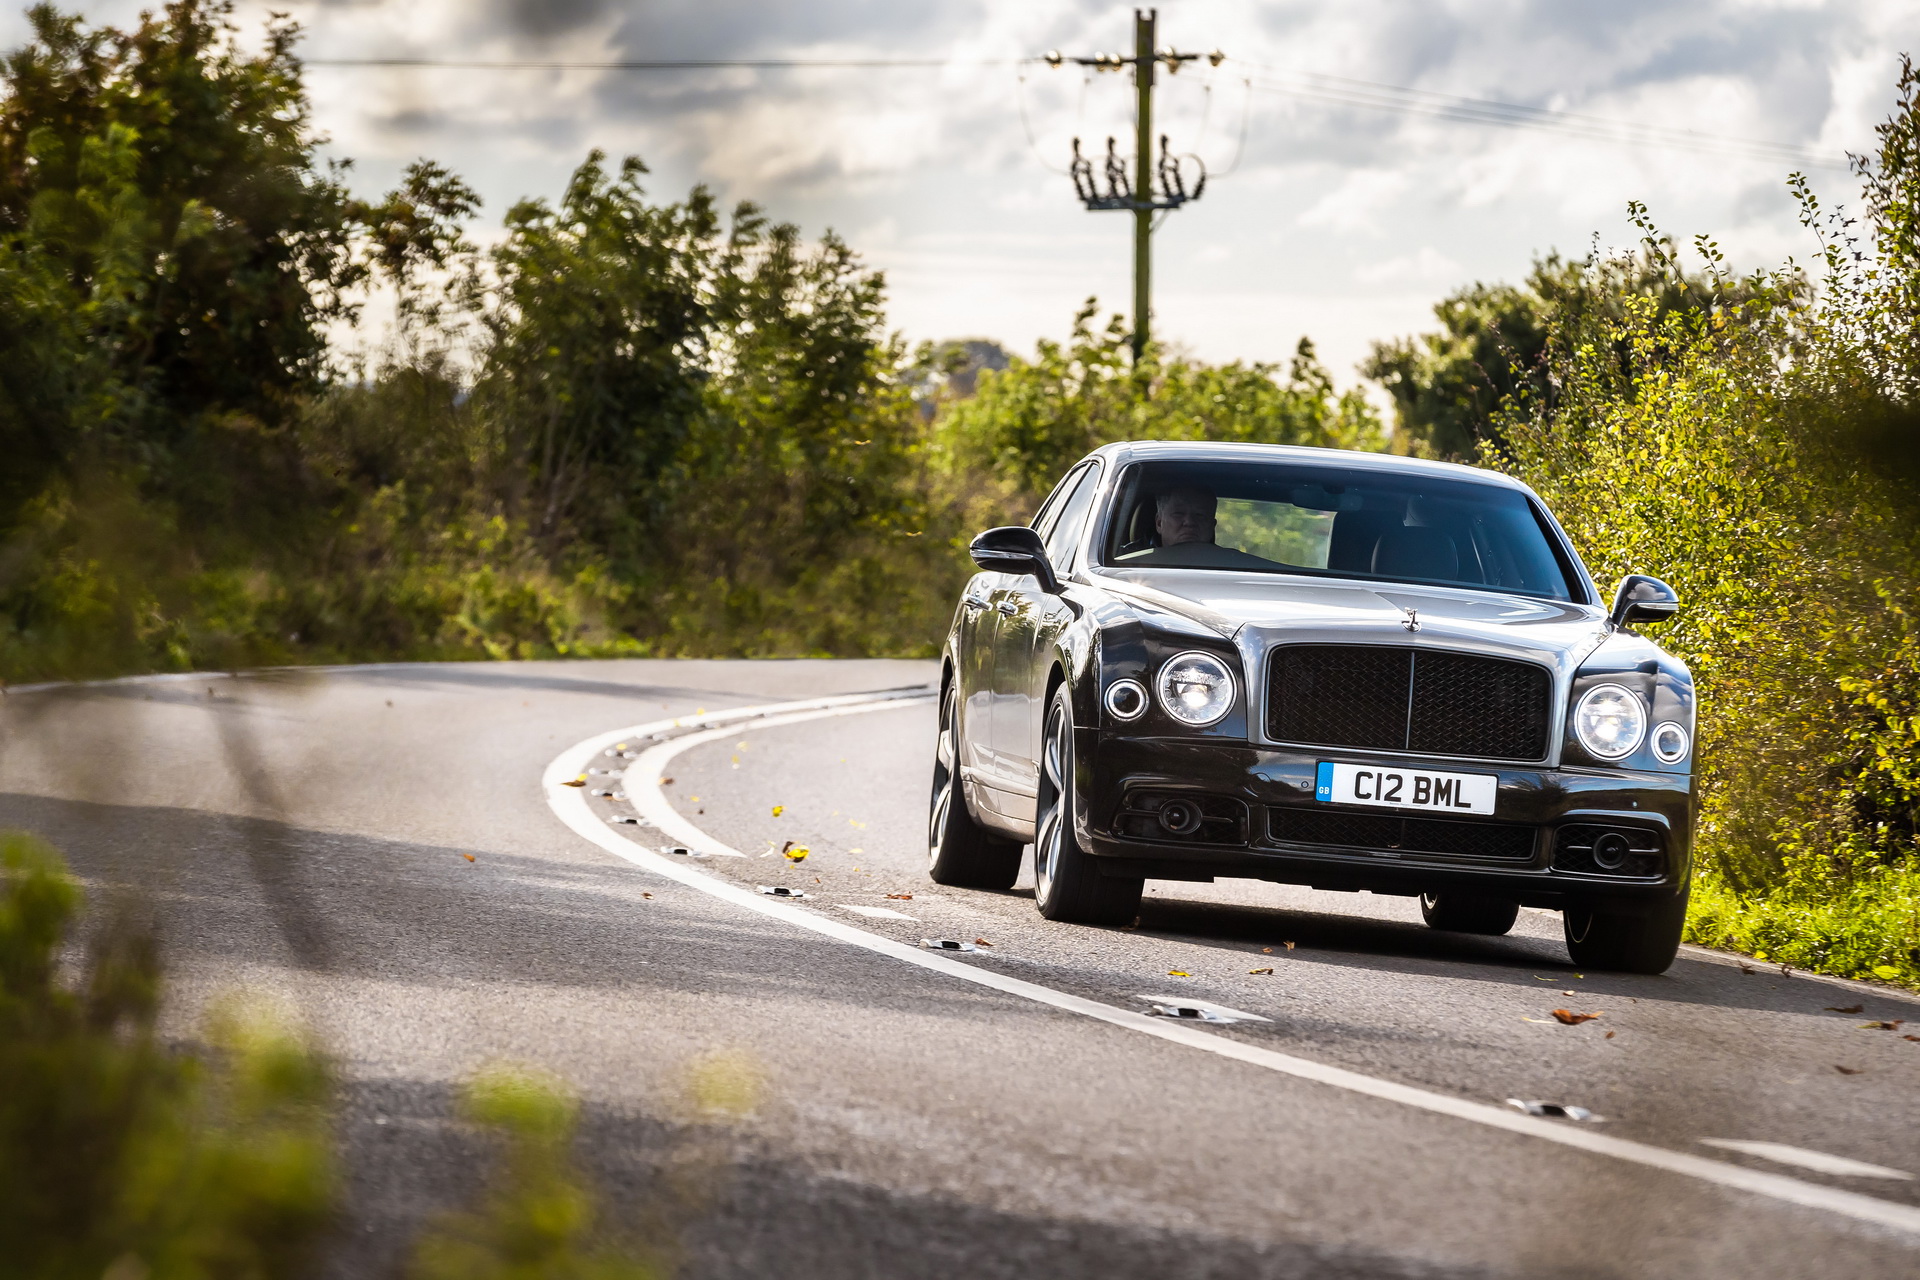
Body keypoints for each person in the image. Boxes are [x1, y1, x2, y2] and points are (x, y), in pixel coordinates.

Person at [1122, 485, 1278, 568]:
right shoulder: (1123, 564)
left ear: (1212, 526)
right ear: (1159, 523)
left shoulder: (1235, 566)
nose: (1189, 522)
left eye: (1200, 515)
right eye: (1178, 514)